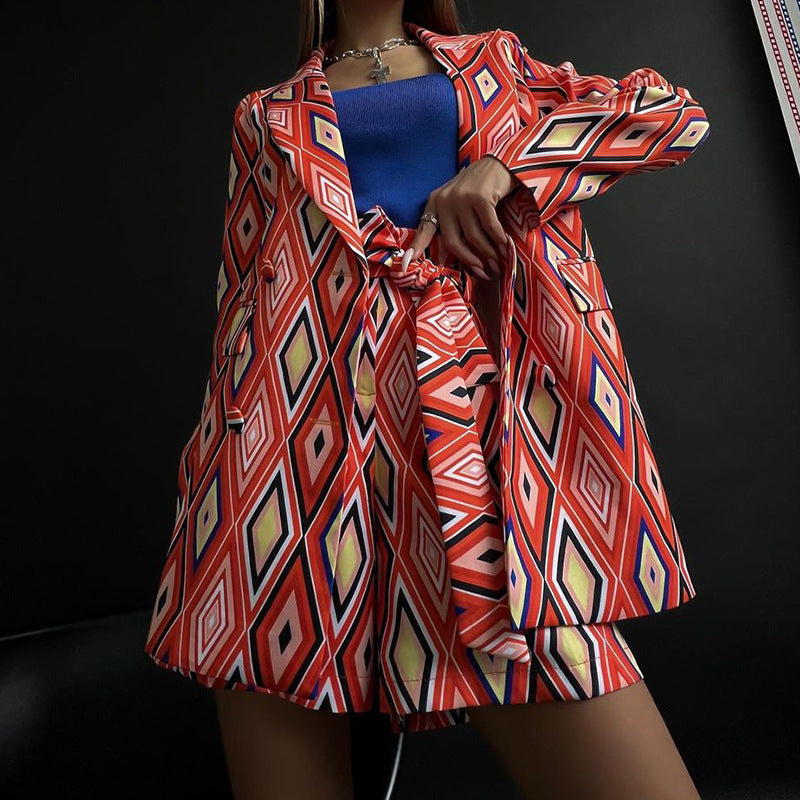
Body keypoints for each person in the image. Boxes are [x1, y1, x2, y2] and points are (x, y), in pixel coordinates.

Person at [143, 1, 711, 797]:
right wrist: (211, 477)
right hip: (288, 466)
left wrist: (508, 167)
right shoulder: (264, 116)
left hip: (471, 436)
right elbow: (239, 301)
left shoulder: (495, 62)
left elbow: (671, 114)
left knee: (576, 685)